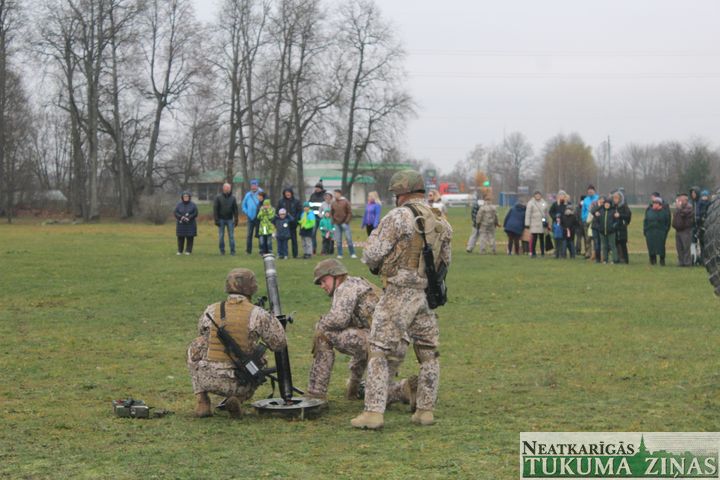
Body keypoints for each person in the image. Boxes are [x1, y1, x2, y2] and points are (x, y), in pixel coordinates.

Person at [352, 170, 452, 430]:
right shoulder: (440, 219)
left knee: (378, 350)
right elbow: (445, 261)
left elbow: (372, 254)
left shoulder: (398, 216)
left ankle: (373, 412)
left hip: (397, 293)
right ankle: (425, 411)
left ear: (401, 193)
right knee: (428, 353)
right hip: (425, 295)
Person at [307, 259, 416, 407]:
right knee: (375, 394)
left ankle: (316, 394)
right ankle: (406, 389)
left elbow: (338, 319)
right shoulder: (359, 284)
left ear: (336, 276)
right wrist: (354, 384)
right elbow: (361, 346)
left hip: (382, 342)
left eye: (323, 280)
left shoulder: (345, 287)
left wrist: (320, 324)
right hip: (397, 344)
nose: (322, 286)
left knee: (324, 334)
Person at [186, 268, 287, 418]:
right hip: (241, 383)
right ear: (252, 287)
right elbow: (279, 344)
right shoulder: (258, 313)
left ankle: (202, 400)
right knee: (260, 356)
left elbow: (202, 332)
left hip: (208, 380)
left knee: (197, 344)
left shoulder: (211, 310)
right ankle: (238, 399)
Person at [213, 183, 239, 256]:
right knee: (221, 236)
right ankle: (222, 251)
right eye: (226, 188)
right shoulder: (218, 197)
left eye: (229, 188)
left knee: (231, 236)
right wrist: (216, 219)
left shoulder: (233, 198)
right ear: (223, 188)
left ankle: (232, 251)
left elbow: (235, 210)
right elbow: (215, 209)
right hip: (221, 219)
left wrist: (236, 219)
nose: (227, 189)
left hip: (230, 219)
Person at [276, 187, 302, 259]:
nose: (287, 194)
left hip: (293, 223)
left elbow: (299, 211)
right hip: (283, 224)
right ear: (284, 194)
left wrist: (296, 220)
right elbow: (277, 211)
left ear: (291, 193)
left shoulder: (296, 201)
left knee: (294, 240)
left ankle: (295, 254)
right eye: (286, 192)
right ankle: (282, 254)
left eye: (289, 192)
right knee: (282, 240)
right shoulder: (281, 202)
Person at [644, 197, 670, 265]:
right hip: (650, 231)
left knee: (661, 246)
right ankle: (652, 259)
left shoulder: (664, 212)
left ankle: (662, 260)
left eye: (656, 203)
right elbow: (645, 221)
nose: (654, 205)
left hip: (660, 232)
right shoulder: (649, 211)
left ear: (660, 204)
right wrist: (645, 230)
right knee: (651, 246)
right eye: (654, 203)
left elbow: (667, 222)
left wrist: (665, 230)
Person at [331, 189, 356, 259]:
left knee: (348, 238)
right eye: (334, 194)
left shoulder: (345, 202)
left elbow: (349, 212)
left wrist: (346, 221)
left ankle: (352, 253)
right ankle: (340, 254)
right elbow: (331, 212)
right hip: (336, 223)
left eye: (336, 193)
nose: (335, 195)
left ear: (339, 194)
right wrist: (333, 220)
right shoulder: (333, 203)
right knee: (338, 240)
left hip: (345, 223)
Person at [672, 193, 694, 266]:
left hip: (686, 230)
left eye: (681, 200)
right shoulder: (678, 208)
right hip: (678, 230)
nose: (679, 201)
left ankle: (687, 262)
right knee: (679, 248)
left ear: (685, 200)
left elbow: (685, 213)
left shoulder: (689, 207)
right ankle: (681, 262)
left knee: (686, 247)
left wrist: (679, 208)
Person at [525, 190, 548, 257]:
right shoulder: (531, 203)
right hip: (534, 223)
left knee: (542, 239)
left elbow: (546, 213)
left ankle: (542, 253)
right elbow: (528, 214)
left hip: (542, 223)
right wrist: (527, 223)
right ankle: (533, 253)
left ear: (541, 196)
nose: (538, 196)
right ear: (534, 196)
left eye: (539, 195)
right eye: (536, 195)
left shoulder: (544, 203)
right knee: (534, 239)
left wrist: (547, 222)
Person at [241, 179, 262, 254]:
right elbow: (243, 205)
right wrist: (247, 212)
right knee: (249, 235)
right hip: (250, 218)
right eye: (252, 185)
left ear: (257, 185)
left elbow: (265, 204)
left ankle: (261, 250)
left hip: (259, 217)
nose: (253, 187)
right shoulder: (248, 195)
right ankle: (248, 251)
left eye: (255, 185)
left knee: (260, 234)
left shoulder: (261, 194)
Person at [597, 196, 619, 264]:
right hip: (602, 231)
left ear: (610, 204)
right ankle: (605, 259)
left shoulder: (613, 211)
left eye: (608, 204)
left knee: (612, 246)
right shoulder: (600, 211)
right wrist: (599, 227)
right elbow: (597, 221)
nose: (607, 205)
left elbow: (616, 221)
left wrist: (613, 227)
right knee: (604, 246)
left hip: (611, 232)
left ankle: (614, 259)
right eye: (606, 203)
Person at [613, 191, 632, 264]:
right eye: (614, 198)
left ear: (620, 199)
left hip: (622, 228)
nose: (615, 200)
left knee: (623, 244)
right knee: (616, 244)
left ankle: (625, 260)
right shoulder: (613, 207)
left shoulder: (624, 206)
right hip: (615, 228)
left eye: (617, 198)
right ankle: (618, 259)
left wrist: (620, 216)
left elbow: (628, 215)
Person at [308, 181, 326, 254]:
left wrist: (323, 215)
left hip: (322, 217)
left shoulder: (324, 196)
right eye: (316, 187)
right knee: (313, 233)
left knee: (324, 233)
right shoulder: (312, 195)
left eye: (318, 188)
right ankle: (313, 248)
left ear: (321, 189)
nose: (317, 189)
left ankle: (324, 250)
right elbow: (309, 205)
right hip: (314, 217)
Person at [581, 186, 599, 258]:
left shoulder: (598, 198)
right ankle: (588, 253)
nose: (590, 193)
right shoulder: (585, 200)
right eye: (589, 192)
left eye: (591, 191)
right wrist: (583, 218)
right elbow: (583, 210)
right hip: (586, 220)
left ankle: (596, 253)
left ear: (594, 191)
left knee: (595, 238)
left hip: (595, 220)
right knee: (587, 238)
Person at [590, 196, 605, 263]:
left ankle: (603, 258)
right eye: (600, 200)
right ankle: (597, 258)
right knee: (596, 243)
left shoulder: (604, 207)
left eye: (602, 200)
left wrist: (601, 206)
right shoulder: (595, 206)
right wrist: (598, 206)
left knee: (602, 243)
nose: (601, 201)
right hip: (595, 227)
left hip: (602, 227)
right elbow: (592, 211)